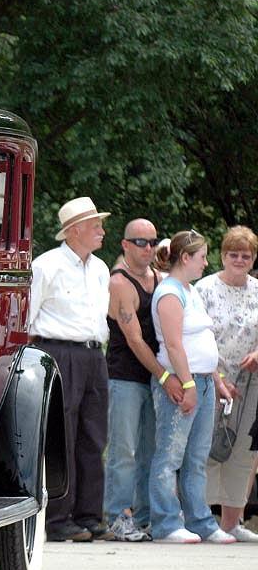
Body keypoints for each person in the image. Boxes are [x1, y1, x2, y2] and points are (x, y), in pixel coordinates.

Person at [28, 196, 111, 542]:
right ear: (75, 231)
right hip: (58, 351)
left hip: (94, 355)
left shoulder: (101, 268)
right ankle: (58, 518)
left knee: (94, 436)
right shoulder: (46, 266)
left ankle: (89, 515)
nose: (102, 232)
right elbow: (27, 317)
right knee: (62, 435)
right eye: (96, 226)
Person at [149, 230, 236, 544]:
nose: (205, 263)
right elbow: (174, 345)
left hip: (203, 381)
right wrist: (187, 384)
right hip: (184, 381)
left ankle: (201, 521)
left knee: (197, 457)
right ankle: (166, 523)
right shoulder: (171, 293)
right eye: (201, 257)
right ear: (185, 258)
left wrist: (216, 380)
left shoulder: (191, 290)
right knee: (170, 455)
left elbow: (200, 341)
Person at [103, 219, 183, 541]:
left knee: (153, 450)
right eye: (140, 242)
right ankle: (117, 517)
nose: (147, 248)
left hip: (155, 379)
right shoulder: (119, 283)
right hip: (125, 376)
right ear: (124, 245)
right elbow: (135, 340)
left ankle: (147, 516)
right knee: (124, 451)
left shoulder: (160, 280)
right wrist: (165, 375)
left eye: (152, 242)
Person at [195, 226, 258, 542]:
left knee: (243, 451)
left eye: (245, 255)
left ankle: (232, 523)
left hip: (250, 382)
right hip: (210, 377)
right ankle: (203, 520)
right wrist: (216, 377)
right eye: (233, 254)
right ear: (222, 255)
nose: (239, 260)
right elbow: (195, 333)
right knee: (206, 446)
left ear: (253, 258)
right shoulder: (204, 289)